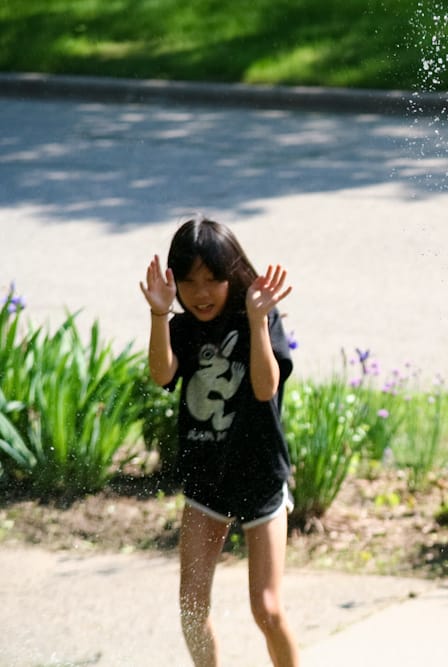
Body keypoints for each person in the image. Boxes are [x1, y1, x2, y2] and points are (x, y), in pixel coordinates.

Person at [140, 216, 300, 667]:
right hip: (206, 478)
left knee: (267, 609)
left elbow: (266, 388)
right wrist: (159, 314)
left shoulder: (258, 316)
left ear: (233, 274)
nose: (201, 293)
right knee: (191, 608)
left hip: (260, 476)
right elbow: (162, 374)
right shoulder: (183, 326)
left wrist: (257, 321)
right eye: (189, 282)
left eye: (212, 279)